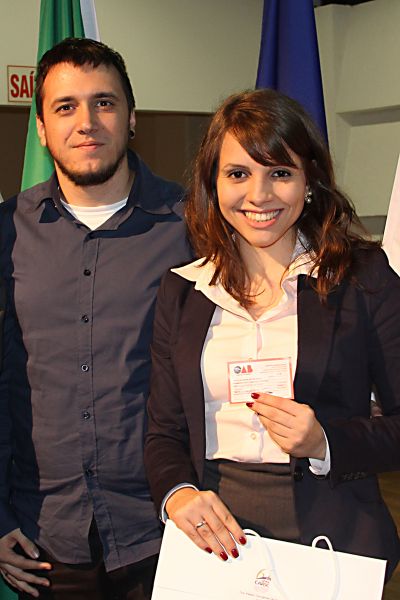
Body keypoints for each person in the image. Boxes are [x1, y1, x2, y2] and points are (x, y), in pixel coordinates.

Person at [144, 88, 400, 580]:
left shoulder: (362, 278)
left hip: (334, 537)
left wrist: (325, 442)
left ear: (309, 182)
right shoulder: (182, 291)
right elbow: (163, 432)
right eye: (238, 174)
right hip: (214, 543)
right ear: (213, 184)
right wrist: (178, 494)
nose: (259, 195)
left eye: (280, 173)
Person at [0, 38, 191, 599]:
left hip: (168, 530)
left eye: (104, 103)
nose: (86, 122)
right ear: (41, 128)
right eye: (65, 107)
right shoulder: (7, 232)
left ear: (131, 118)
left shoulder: (192, 225)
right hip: (44, 537)